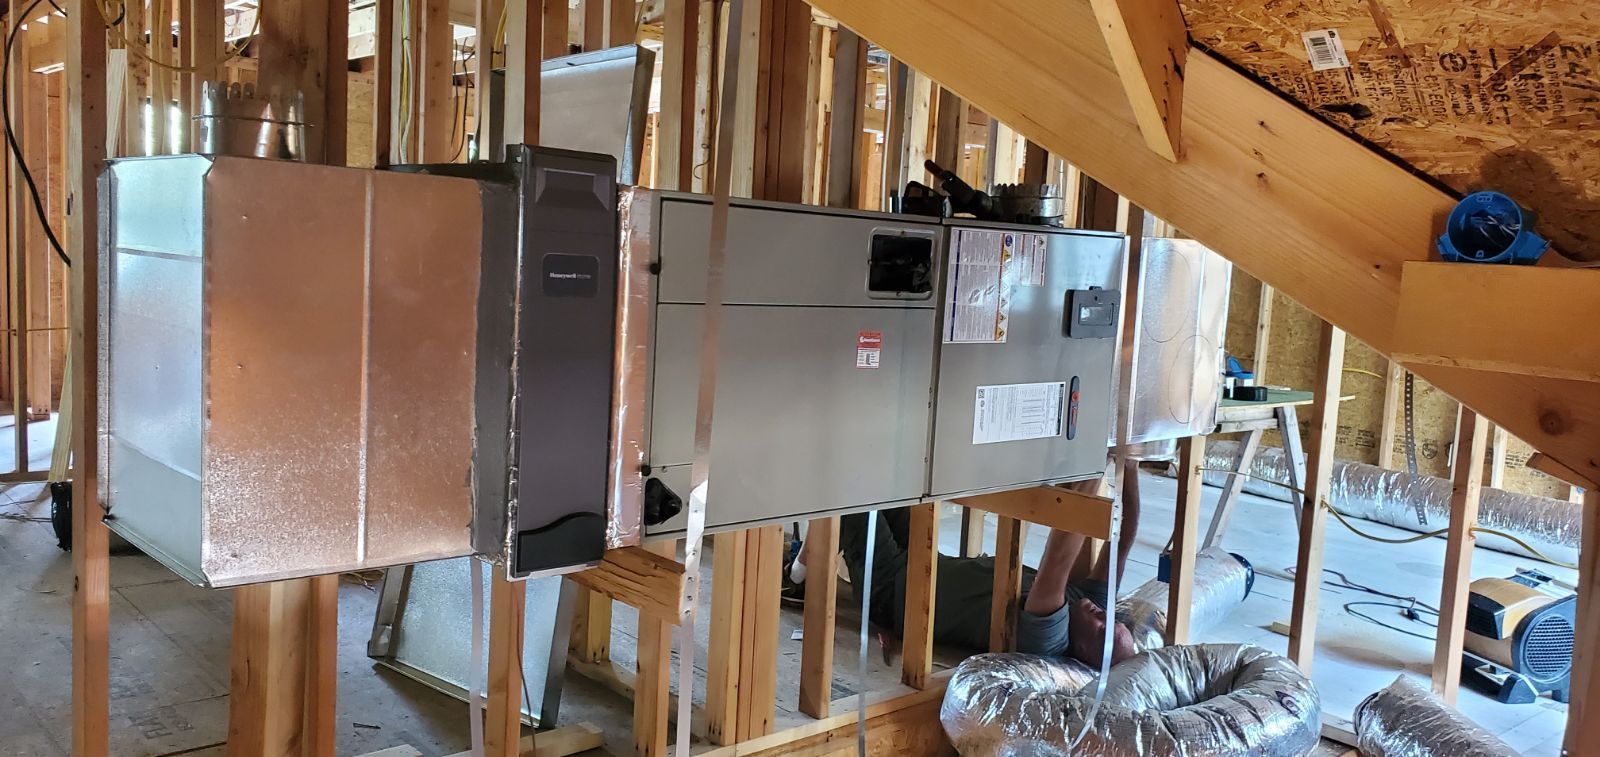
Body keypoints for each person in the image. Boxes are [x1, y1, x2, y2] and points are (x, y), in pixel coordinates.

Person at [798, 456, 1143, 668]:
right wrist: (1131, 465)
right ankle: (800, 567)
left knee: (851, 484)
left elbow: (1061, 550)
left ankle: (797, 570)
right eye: (1111, 618)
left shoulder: (1048, 640)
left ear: (1081, 650)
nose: (1103, 615)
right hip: (920, 562)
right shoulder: (1092, 607)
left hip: (891, 592)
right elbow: (1124, 541)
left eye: (1102, 628)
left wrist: (1093, 461)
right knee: (889, 473)